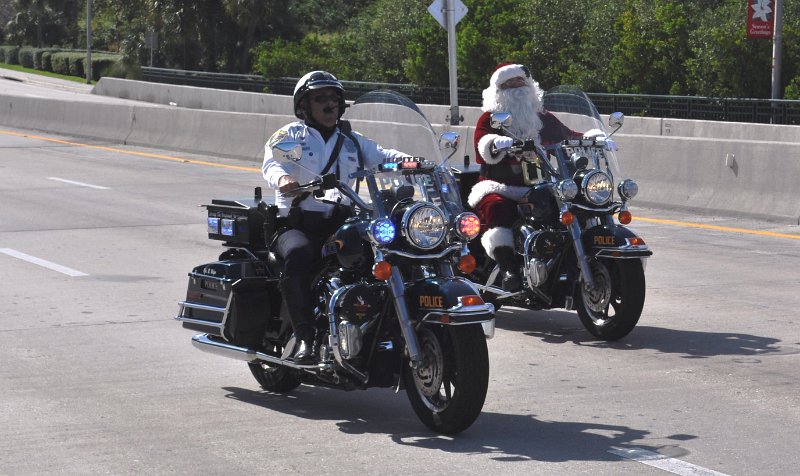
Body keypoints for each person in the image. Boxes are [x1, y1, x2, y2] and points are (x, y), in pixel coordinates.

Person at [262, 71, 408, 363]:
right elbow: (272, 162)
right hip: (297, 222)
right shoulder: (291, 135)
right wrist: (283, 180)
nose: (329, 105)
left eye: (333, 99)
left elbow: (383, 155)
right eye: (320, 99)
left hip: (340, 222)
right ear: (304, 105)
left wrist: (416, 162)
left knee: (388, 248)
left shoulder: (352, 141)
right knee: (300, 254)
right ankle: (305, 337)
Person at [467, 64, 583, 292]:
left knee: (568, 206)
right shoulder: (490, 118)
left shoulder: (540, 117)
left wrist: (592, 138)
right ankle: (509, 269)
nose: (517, 87)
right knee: (497, 208)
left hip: (540, 184)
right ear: (499, 90)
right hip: (501, 186)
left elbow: (567, 134)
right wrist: (494, 142)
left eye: (520, 82)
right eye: (510, 84)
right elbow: (482, 143)